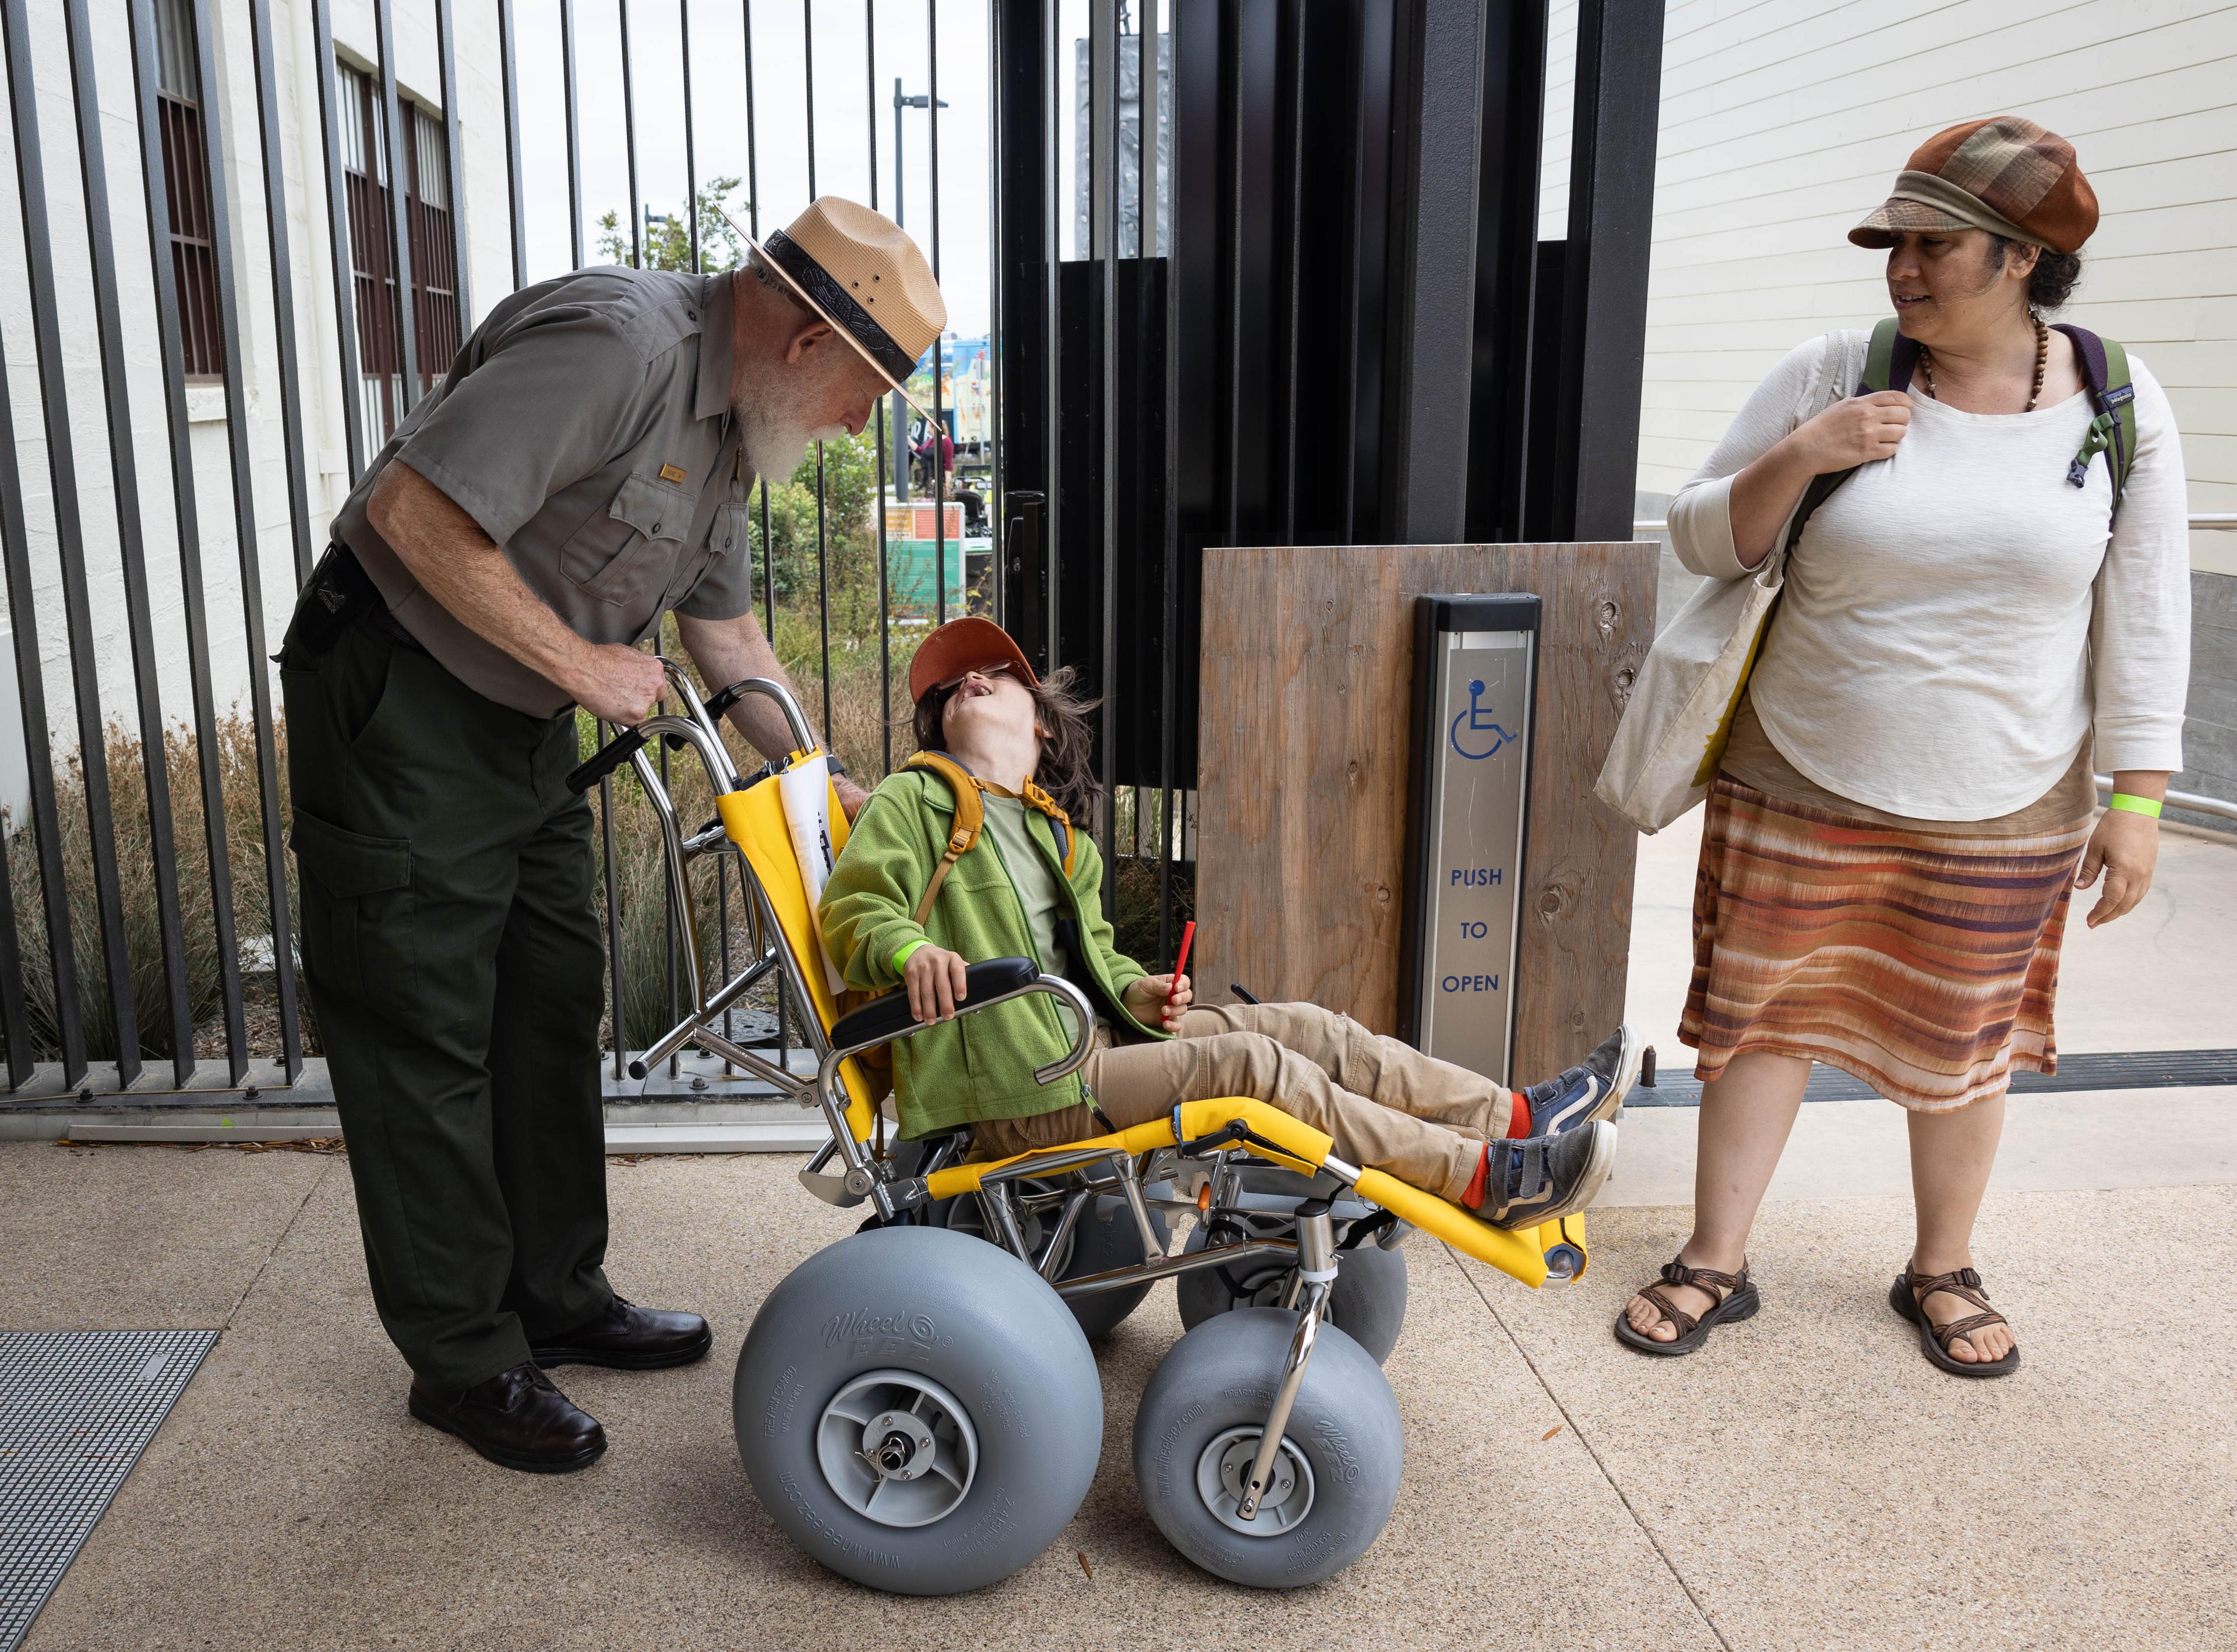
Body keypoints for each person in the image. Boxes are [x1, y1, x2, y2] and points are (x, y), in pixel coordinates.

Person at [282, 197, 945, 1473]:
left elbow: (728, 638)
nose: (862, 426)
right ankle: (466, 1357)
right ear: (807, 339)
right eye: (866, 393)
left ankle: (556, 1293)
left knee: (548, 995)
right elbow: (407, 509)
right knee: (422, 1016)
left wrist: (819, 775)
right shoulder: (619, 348)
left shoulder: (738, 423)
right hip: (403, 693)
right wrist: (583, 661)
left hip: (522, 716)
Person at [1617, 118, 2189, 1375]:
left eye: (1935, 246)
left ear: (2025, 258)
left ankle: (1942, 1266)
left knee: (1968, 1040)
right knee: (1758, 1021)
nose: (1903, 268)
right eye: (1895, 244)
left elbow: (2146, 612)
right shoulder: (1837, 369)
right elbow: (1702, 536)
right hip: (1804, 765)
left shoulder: (2118, 401)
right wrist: (1806, 453)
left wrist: (2139, 800)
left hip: (2007, 792)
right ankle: (1716, 1254)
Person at [820, 617, 1632, 1228]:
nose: (969, 681)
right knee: (1257, 1066)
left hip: (1083, 1047)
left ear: (1038, 718)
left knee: (1312, 1029)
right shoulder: (916, 798)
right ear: (936, 726)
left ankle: (1519, 1118)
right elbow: (853, 912)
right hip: (1014, 1086)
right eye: (948, 686)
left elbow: (1093, 960)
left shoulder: (1056, 837)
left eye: (993, 673)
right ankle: (1481, 1177)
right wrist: (911, 947)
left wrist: (1142, 994)